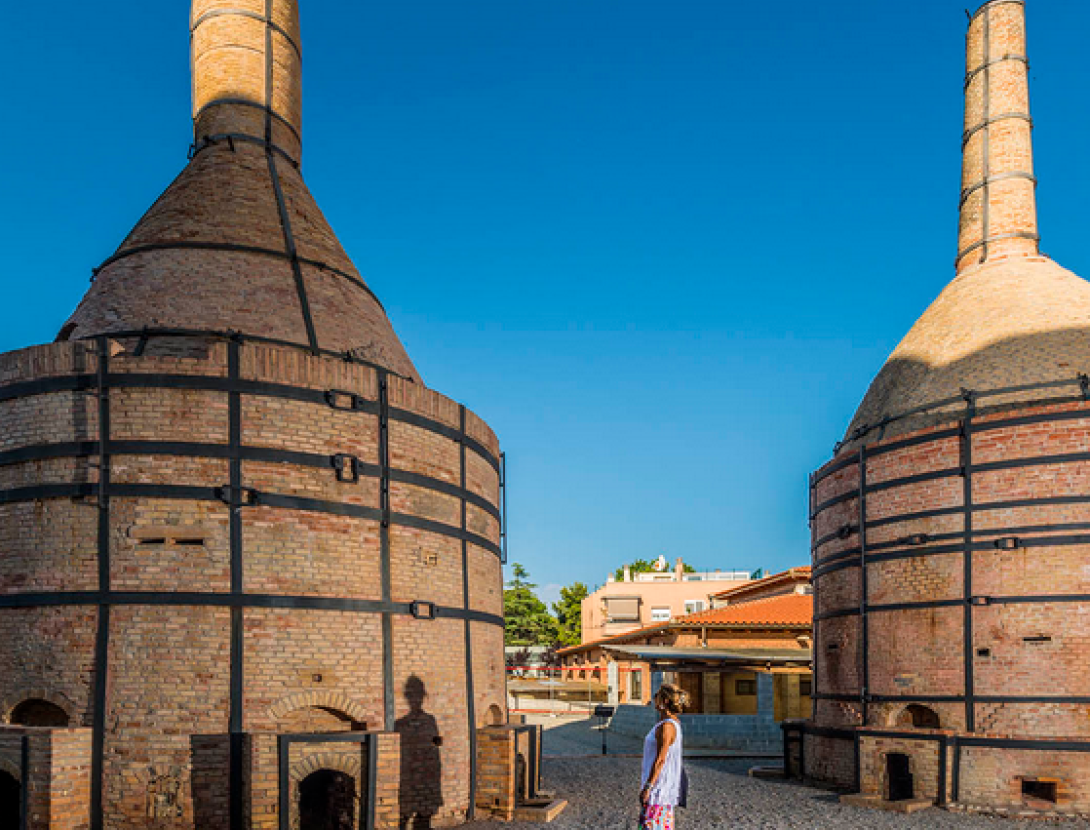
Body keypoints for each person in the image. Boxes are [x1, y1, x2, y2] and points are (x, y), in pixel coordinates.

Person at [639, 683, 689, 830]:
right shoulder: (670, 723)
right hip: (661, 792)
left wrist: (648, 787)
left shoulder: (667, 727)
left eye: (657, 696)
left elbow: (661, 759)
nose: (654, 699)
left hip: (659, 792)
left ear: (665, 701)